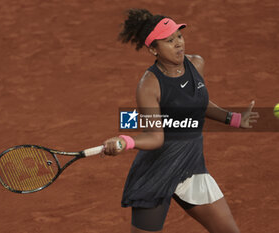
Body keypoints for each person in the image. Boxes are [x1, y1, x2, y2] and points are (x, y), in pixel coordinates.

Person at [103, 8, 260, 233]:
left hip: (191, 165)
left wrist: (233, 119)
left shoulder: (196, 64)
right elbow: (155, 137)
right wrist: (125, 142)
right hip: (157, 170)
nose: (178, 43)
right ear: (153, 49)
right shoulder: (149, 85)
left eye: (179, 36)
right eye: (169, 40)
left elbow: (198, 101)